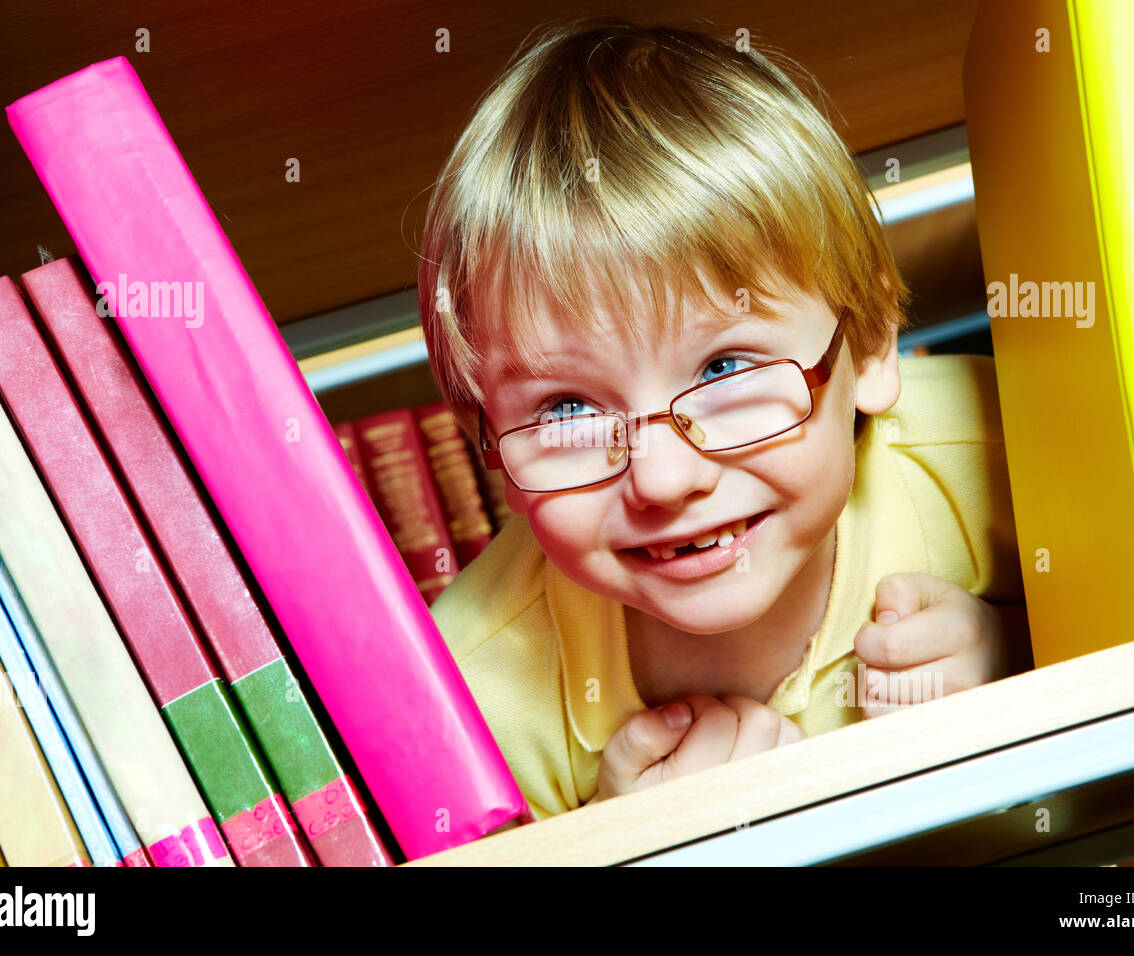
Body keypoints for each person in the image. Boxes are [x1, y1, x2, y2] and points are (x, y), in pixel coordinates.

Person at [419, 16, 1027, 820]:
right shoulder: (470, 701)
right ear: (488, 440)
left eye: (726, 369)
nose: (665, 478)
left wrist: (1027, 661)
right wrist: (627, 844)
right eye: (567, 408)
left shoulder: (1010, 450)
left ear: (873, 344)